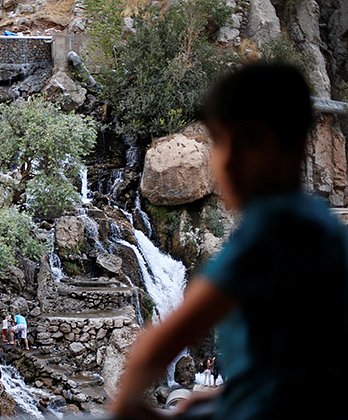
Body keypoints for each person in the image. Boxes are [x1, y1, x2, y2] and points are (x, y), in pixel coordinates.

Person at [110, 62, 348, 420]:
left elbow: (157, 349)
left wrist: (128, 405)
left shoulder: (266, 239)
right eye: (224, 142)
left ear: (296, 146)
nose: (232, 159)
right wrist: (226, 393)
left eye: (250, 142)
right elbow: (295, 360)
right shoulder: (326, 230)